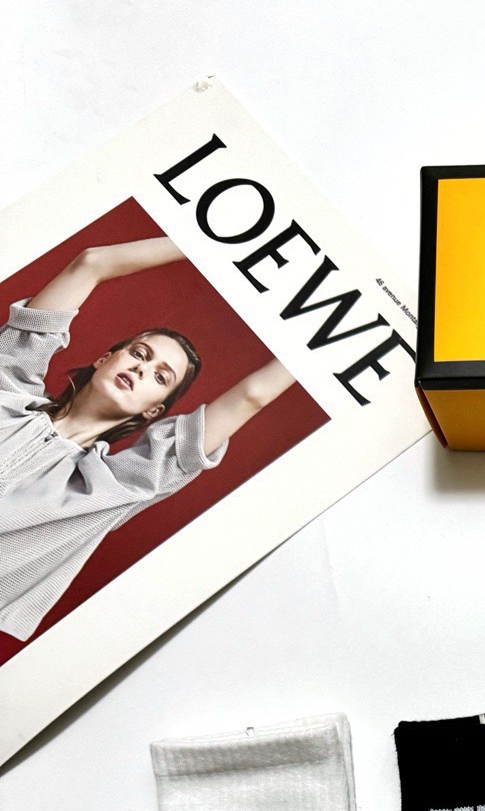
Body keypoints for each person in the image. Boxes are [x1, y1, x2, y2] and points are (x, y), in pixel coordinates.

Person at [0, 233, 295, 642]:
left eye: (160, 377)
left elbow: (252, 395)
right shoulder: (8, 385)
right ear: (105, 359)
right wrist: (217, 240)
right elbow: (91, 262)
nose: (142, 369)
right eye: (139, 354)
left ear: (153, 411)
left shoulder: (115, 489)